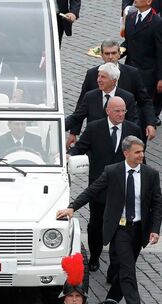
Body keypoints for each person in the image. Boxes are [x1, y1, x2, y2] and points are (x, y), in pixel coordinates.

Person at [57, 136, 162, 304]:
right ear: (126, 153)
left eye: (142, 151)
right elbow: (92, 190)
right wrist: (72, 207)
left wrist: (155, 229)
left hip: (139, 230)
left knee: (125, 269)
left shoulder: (151, 174)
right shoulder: (112, 171)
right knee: (127, 269)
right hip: (120, 229)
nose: (141, 155)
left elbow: (157, 204)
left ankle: (111, 299)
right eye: (137, 152)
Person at [68, 97, 143, 272]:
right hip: (99, 187)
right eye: (117, 110)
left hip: (123, 188)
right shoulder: (95, 128)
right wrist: (70, 155)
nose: (121, 114)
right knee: (96, 225)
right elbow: (80, 147)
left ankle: (114, 268)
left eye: (124, 110)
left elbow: (140, 157)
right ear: (107, 110)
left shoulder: (133, 129)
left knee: (121, 227)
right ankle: (94, 256)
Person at [77, 40, 156, 140]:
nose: (110, 57)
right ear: (101, 55)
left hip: (124, 131)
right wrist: (74, 132)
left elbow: (145, 101)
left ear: (119, 54)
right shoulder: (92, 74)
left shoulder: (132, 73)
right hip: (97, 132)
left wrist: (150, 123)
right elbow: (81, 105)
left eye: (114, 53)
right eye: (107, 53)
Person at [66, 63, 139, 143]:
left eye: (103, 77)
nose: (98, 80)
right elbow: (76, 117)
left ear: (114, 81)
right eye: (98, 76)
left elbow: (133, 124)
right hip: (94, 143)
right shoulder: (90, 96)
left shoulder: (127, 98)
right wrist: (58, 126)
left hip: (116, 143)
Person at [122, 0, 162, 116]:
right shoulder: (130, 17)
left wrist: (160, 78)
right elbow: (128, 42)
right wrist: (115, 52)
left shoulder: (157, 22)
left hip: (147, 73)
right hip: (129, 69)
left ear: (149, 1)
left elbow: (160, 51)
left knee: (143, 107)